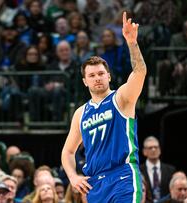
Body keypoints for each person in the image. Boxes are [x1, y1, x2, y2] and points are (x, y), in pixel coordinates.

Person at [61, 12, 146, 203]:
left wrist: (132, 43)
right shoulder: (81, 113)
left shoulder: (122, 98)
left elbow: (140, 72)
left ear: (109, 76)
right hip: (95, 184)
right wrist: (73, 177)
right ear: (85, 81)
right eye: (92, 75)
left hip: (122, 175)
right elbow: (67, 152)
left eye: (101, 73)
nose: (97, 77)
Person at [140, 136, 176, 202]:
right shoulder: (138, 171)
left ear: (160, 150)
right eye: (150, 148)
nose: (153, 150)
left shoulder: (171, 170)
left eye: (156, 147)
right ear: (144, 151)